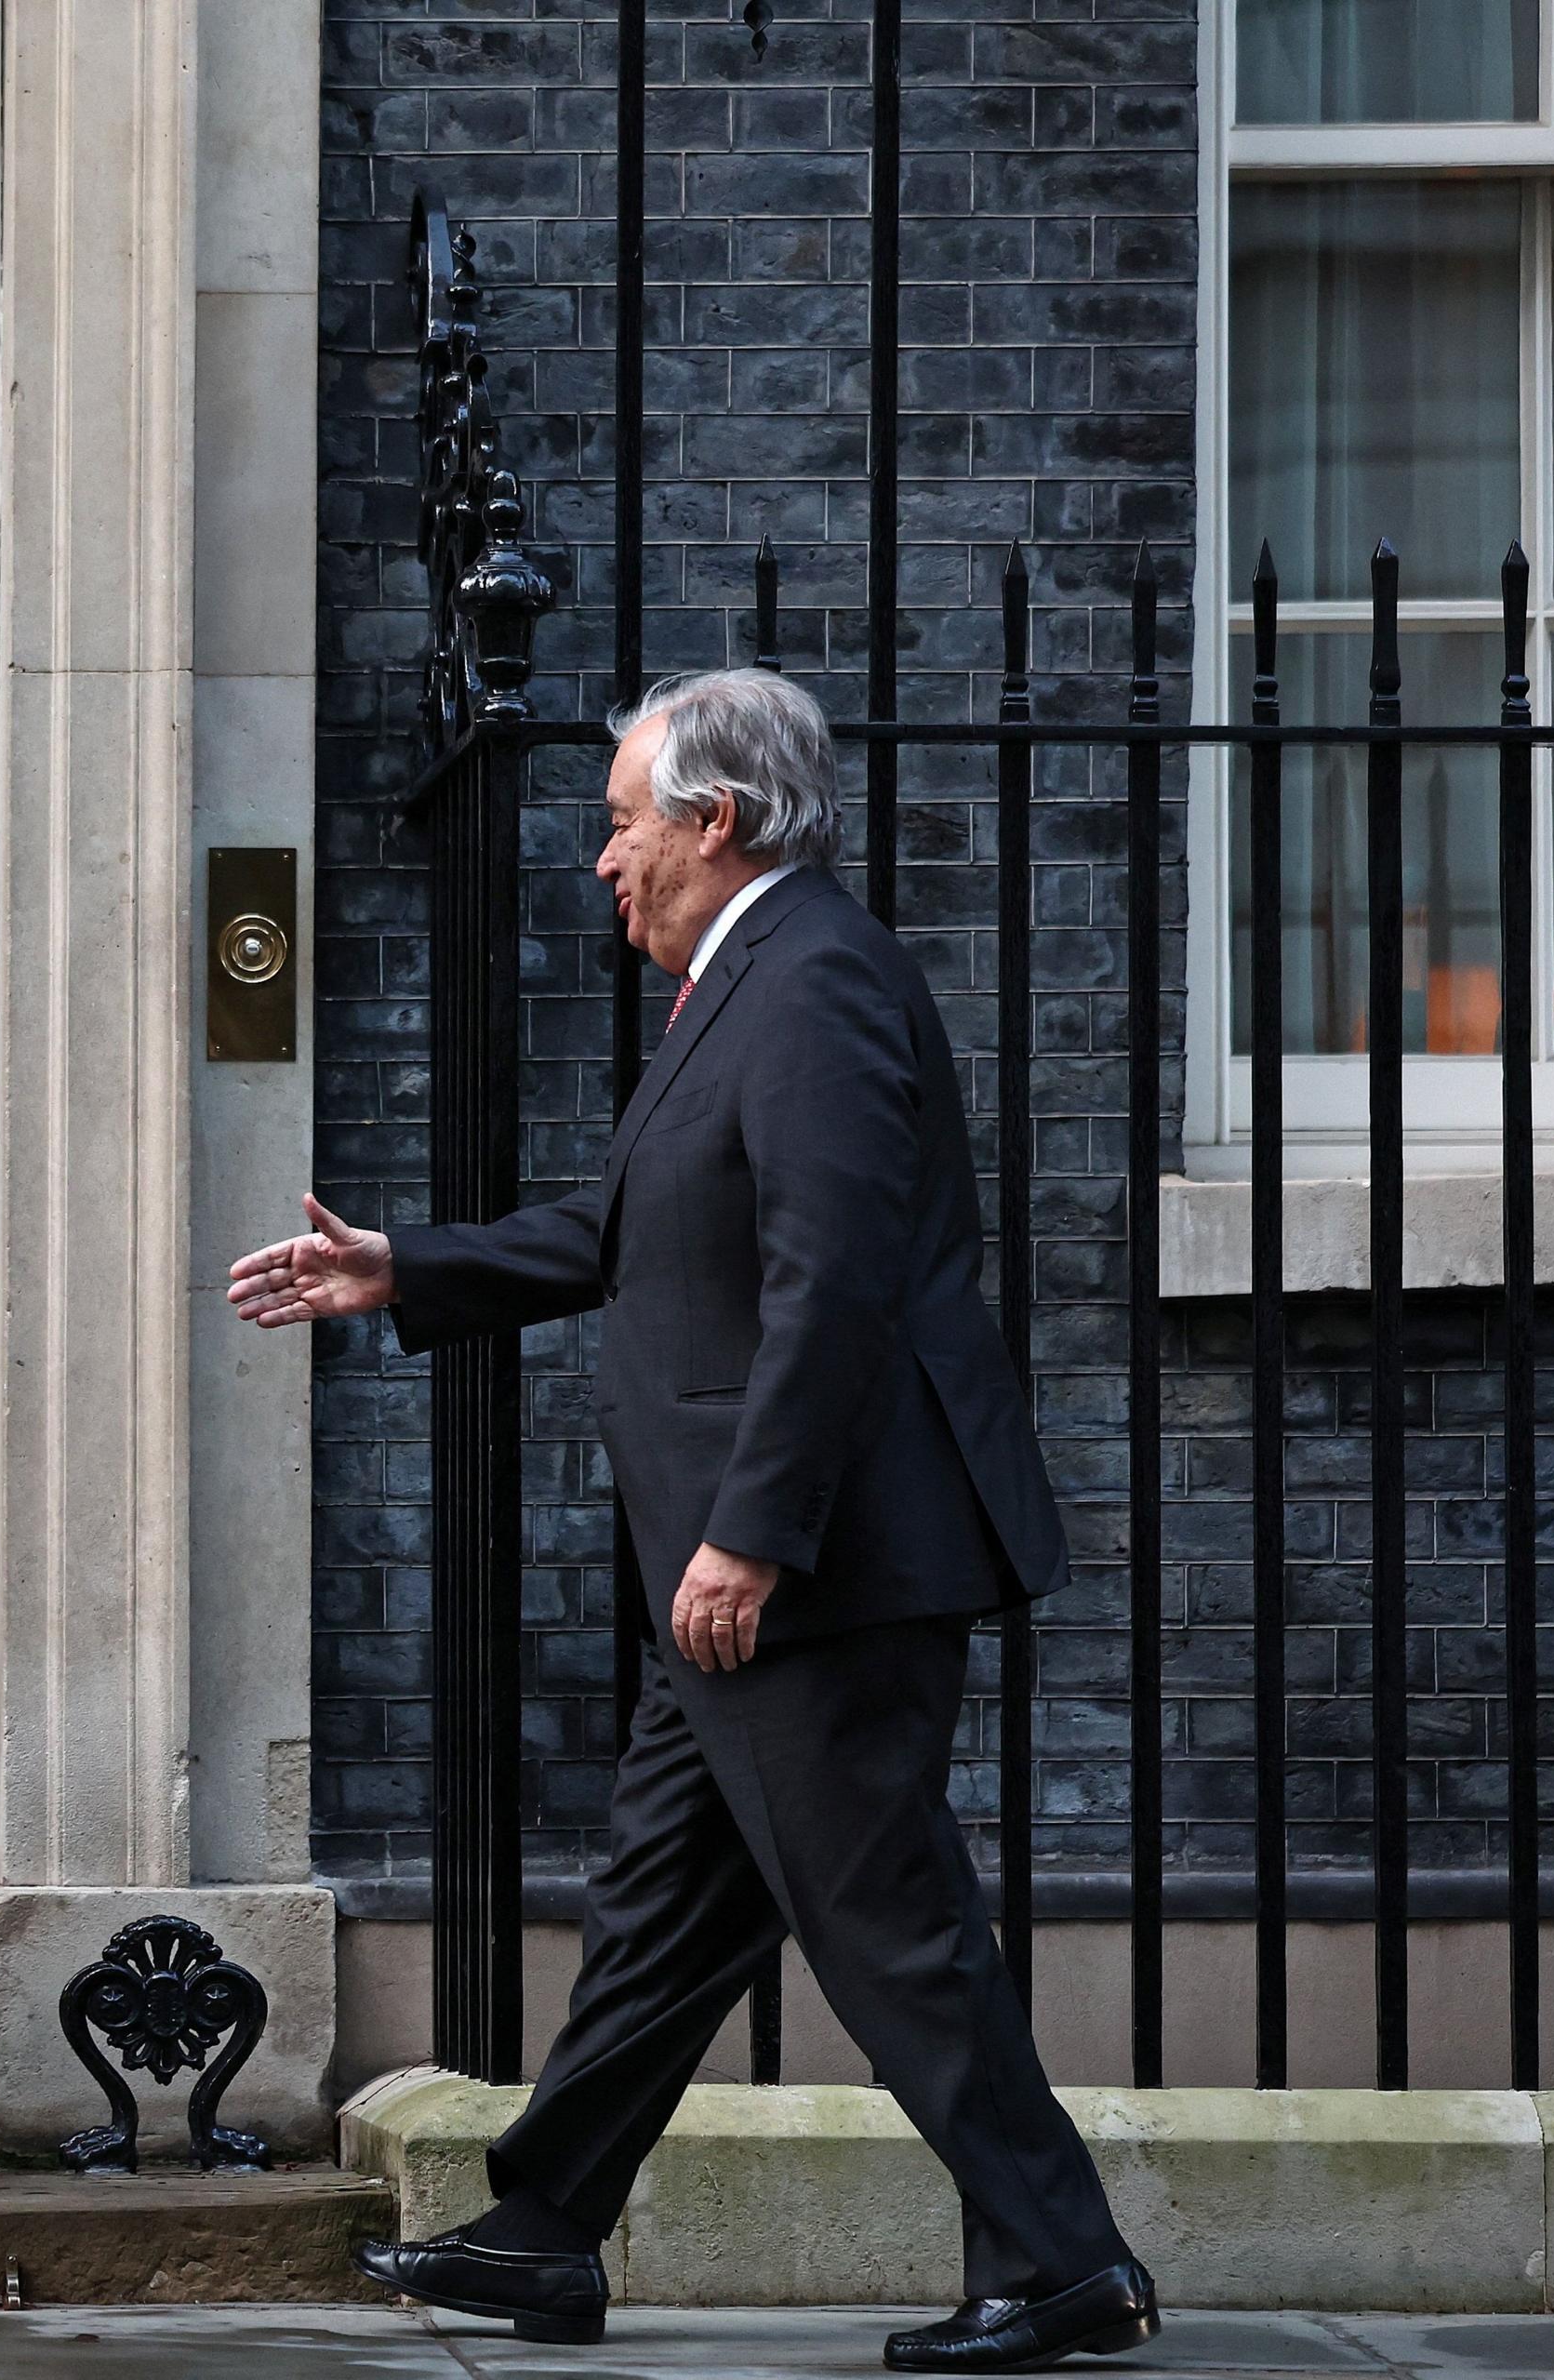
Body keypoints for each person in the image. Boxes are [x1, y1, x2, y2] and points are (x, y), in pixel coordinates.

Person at [228, 671, 1159, 2373]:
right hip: (741, 1577)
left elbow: (834, 1279)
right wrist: (404, 1267)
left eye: (621, 824)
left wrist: (755, 1531)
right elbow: (632, 1223)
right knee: (662, 1908)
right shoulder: (757, 983)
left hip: (810, 1572)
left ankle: (1063, 2260)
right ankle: (543, 2231)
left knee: (886, 1922)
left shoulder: (812, 986)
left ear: (715, 821)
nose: (605, 863)